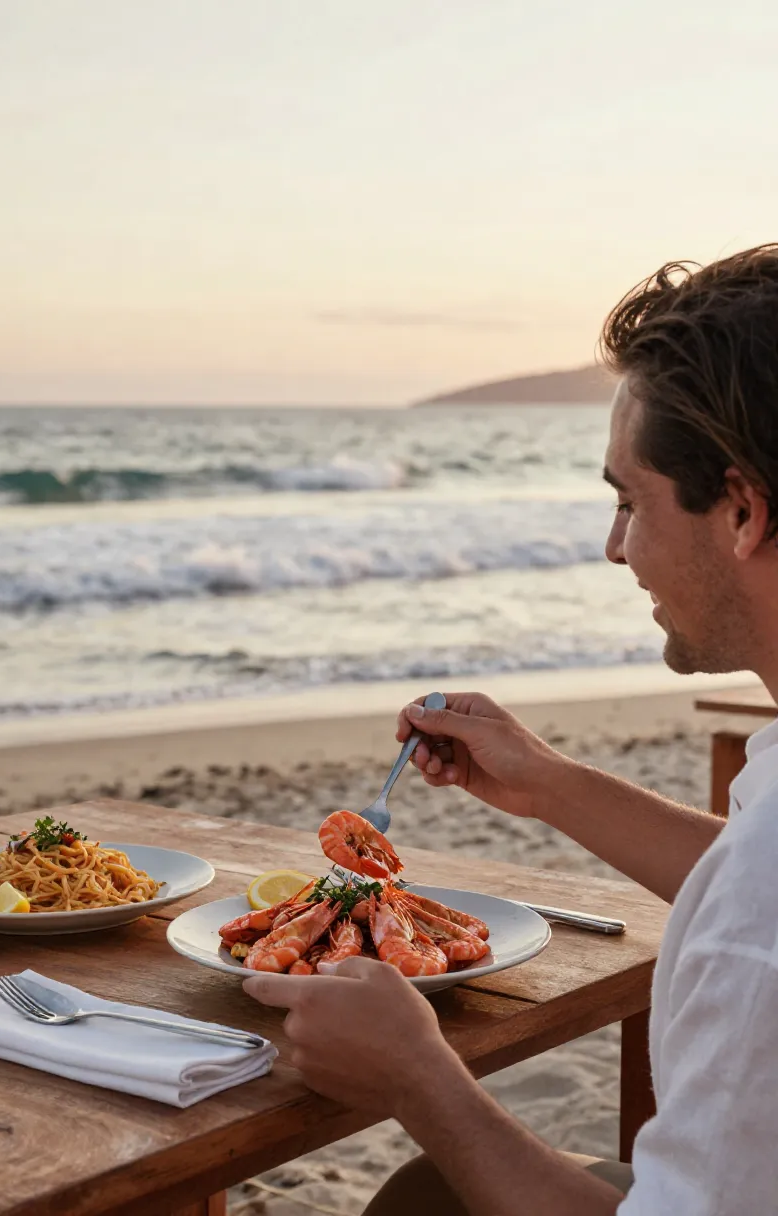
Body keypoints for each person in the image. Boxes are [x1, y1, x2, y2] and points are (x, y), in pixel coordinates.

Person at [245, 244, 778, 1214]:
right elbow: (742, 876)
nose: (615, 547)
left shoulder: (758, 918)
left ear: (740, 509)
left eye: (629, 501)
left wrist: (421, 1081)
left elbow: (753, 909)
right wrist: (545, 783)